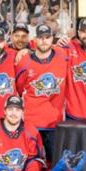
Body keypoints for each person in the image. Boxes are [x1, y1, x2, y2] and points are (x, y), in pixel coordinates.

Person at [15, 24, 69, 154]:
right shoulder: (24, 61)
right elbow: (19, 88)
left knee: (54, 162)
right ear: (34, 40)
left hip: (54, 122)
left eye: (47, 37)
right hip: (31, 123)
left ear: (52, 39)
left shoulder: (62, 55)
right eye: (40, 37)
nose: (44, 41)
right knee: (32, 162)